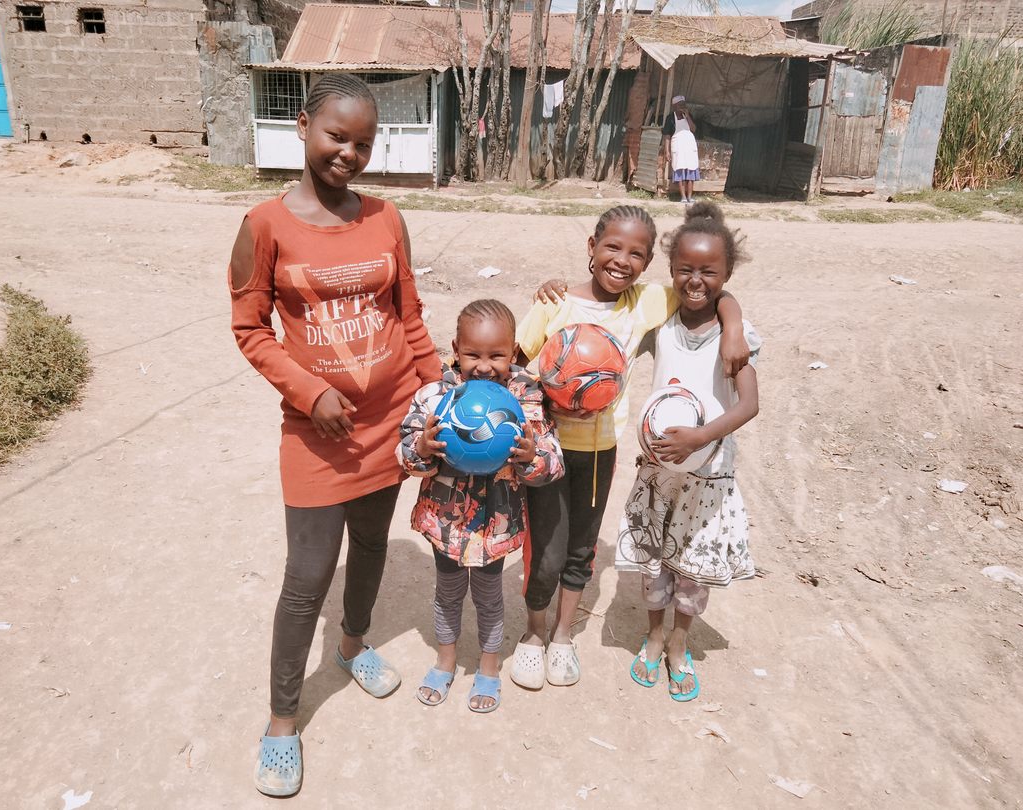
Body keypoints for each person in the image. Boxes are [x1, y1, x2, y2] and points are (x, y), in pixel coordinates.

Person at [228, 74, 442, 797]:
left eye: (363, 143)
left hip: (391, 422)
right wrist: (309, 391)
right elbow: (250, 330)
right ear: (302, 126)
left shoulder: (387, 218)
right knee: (307, 577)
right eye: (336, 136)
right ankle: (282, 724)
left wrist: (438, 393)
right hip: (317, 435)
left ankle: (353, 645)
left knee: (373, 545)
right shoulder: (264, 225)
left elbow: (409, 317)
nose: (349, 153)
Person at [510, 205, 749, 690]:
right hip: (547, 449)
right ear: (592, 247)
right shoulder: (555, 305)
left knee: (580, 550)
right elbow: (511, 367)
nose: (622, 260)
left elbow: (711, 291)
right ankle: (533, 634)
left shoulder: (645, 303)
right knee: (547, 555)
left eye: (637, 254)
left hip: (600, 452)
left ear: (648, 264)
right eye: (612, 247)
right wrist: (549, 399)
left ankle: (562, 636)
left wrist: (735, 324)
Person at [616, 201, 761, 701]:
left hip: (708, 473)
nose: (695, 280)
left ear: (727, 274)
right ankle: (654, 637)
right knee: (655, 560)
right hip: (659, 469)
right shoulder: (661, 324)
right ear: (671, 269)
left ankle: (680, 644)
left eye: (709, 272)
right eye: (684, 269)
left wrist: (700, 438)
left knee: (693, 567)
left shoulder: (735, 338)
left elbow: (749, 404)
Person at [397, 299, 564, 713]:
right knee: (447, 594)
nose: (484, 366)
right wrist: (422, 449)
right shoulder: (436, 395)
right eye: (473, 354)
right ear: (456, 349)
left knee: (489, 597)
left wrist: (530, 458)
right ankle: (445, 660)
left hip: (495, 526)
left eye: (497, 355)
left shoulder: (527, 397)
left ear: (514, 352)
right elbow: (405, 453)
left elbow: (553, 462)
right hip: (445, 522)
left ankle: (489, 667)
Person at [664, 95, 699, 204]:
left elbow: (693, 129)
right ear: (674, 106)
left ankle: (690, 197)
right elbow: (667, 136)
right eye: (680, 105)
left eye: (683, 104)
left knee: (691, 171)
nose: (682, 107)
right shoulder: (670, 118)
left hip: (689, 147)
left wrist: (687, 116)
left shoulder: (688, 116)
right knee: (680, 171)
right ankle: (683, 197)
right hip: (678, 147)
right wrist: (667, 151)